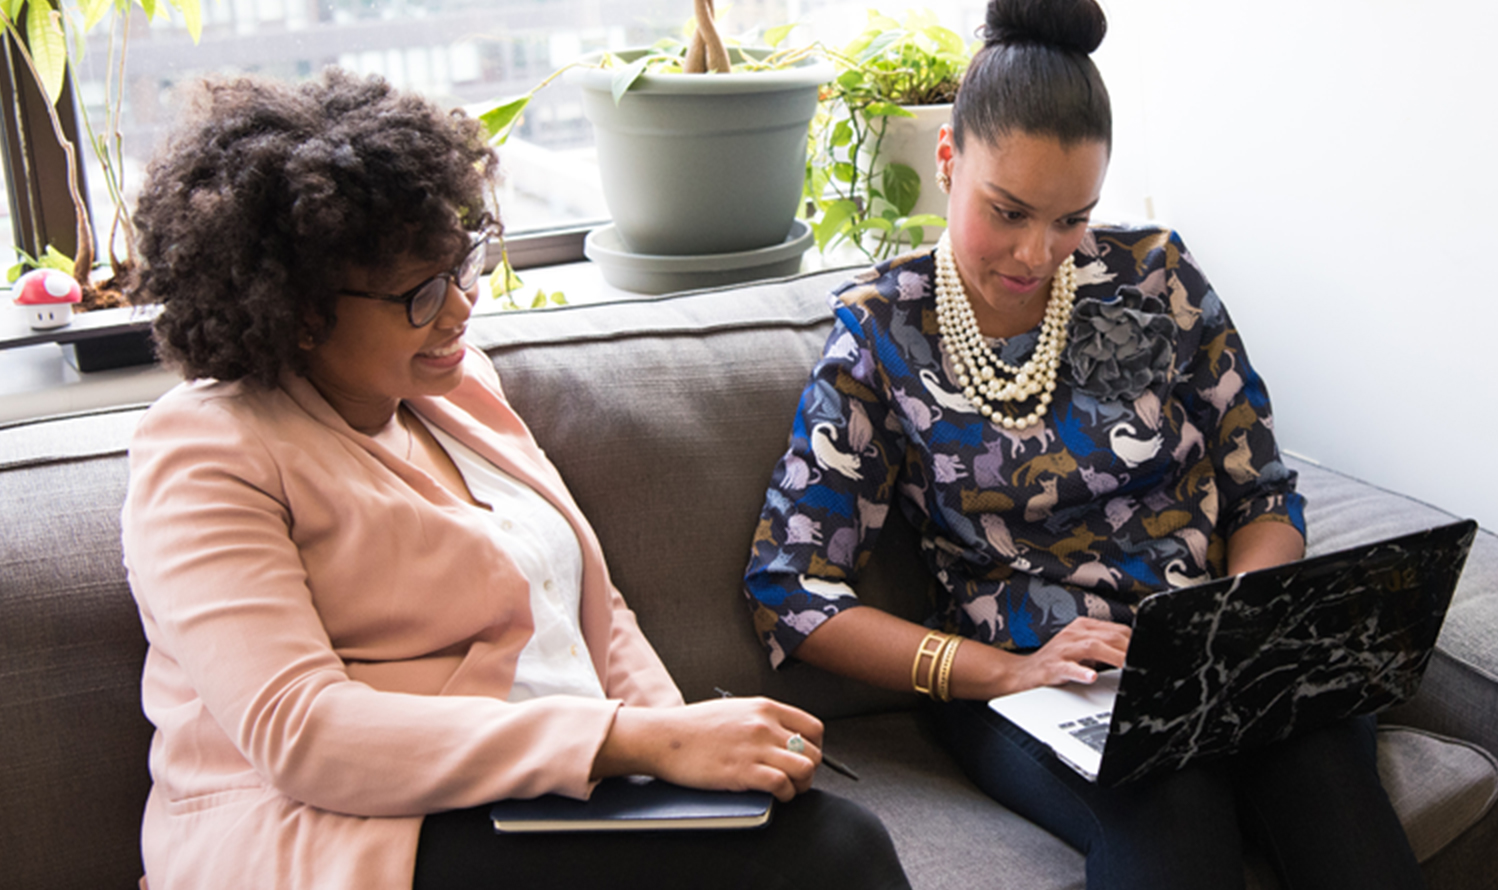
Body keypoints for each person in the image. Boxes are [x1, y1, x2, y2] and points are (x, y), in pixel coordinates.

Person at [120, 70, 909, 890]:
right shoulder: (207, 450)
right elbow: (302, 732)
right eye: (422, 294)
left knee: (806, 838)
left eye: (462, 268)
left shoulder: (457, 389)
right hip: (338, 830)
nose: (461, 311)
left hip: (533, 794)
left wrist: (686, 748)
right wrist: (634, 744)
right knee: (832, 854)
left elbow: (596, 621)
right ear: (301, 309)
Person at [742, 2, 1426, 888]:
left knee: (1324, 769)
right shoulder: (881, 335)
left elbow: (1263, 493)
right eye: (1010, 210)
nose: (1038, 253)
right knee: (1170, 804)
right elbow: (789, 588)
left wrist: (1241, 626)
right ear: (949, 160)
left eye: (1072, 219)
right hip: (1030, 679)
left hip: (1207, 652)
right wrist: (1000, 673)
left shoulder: (1157, 278)